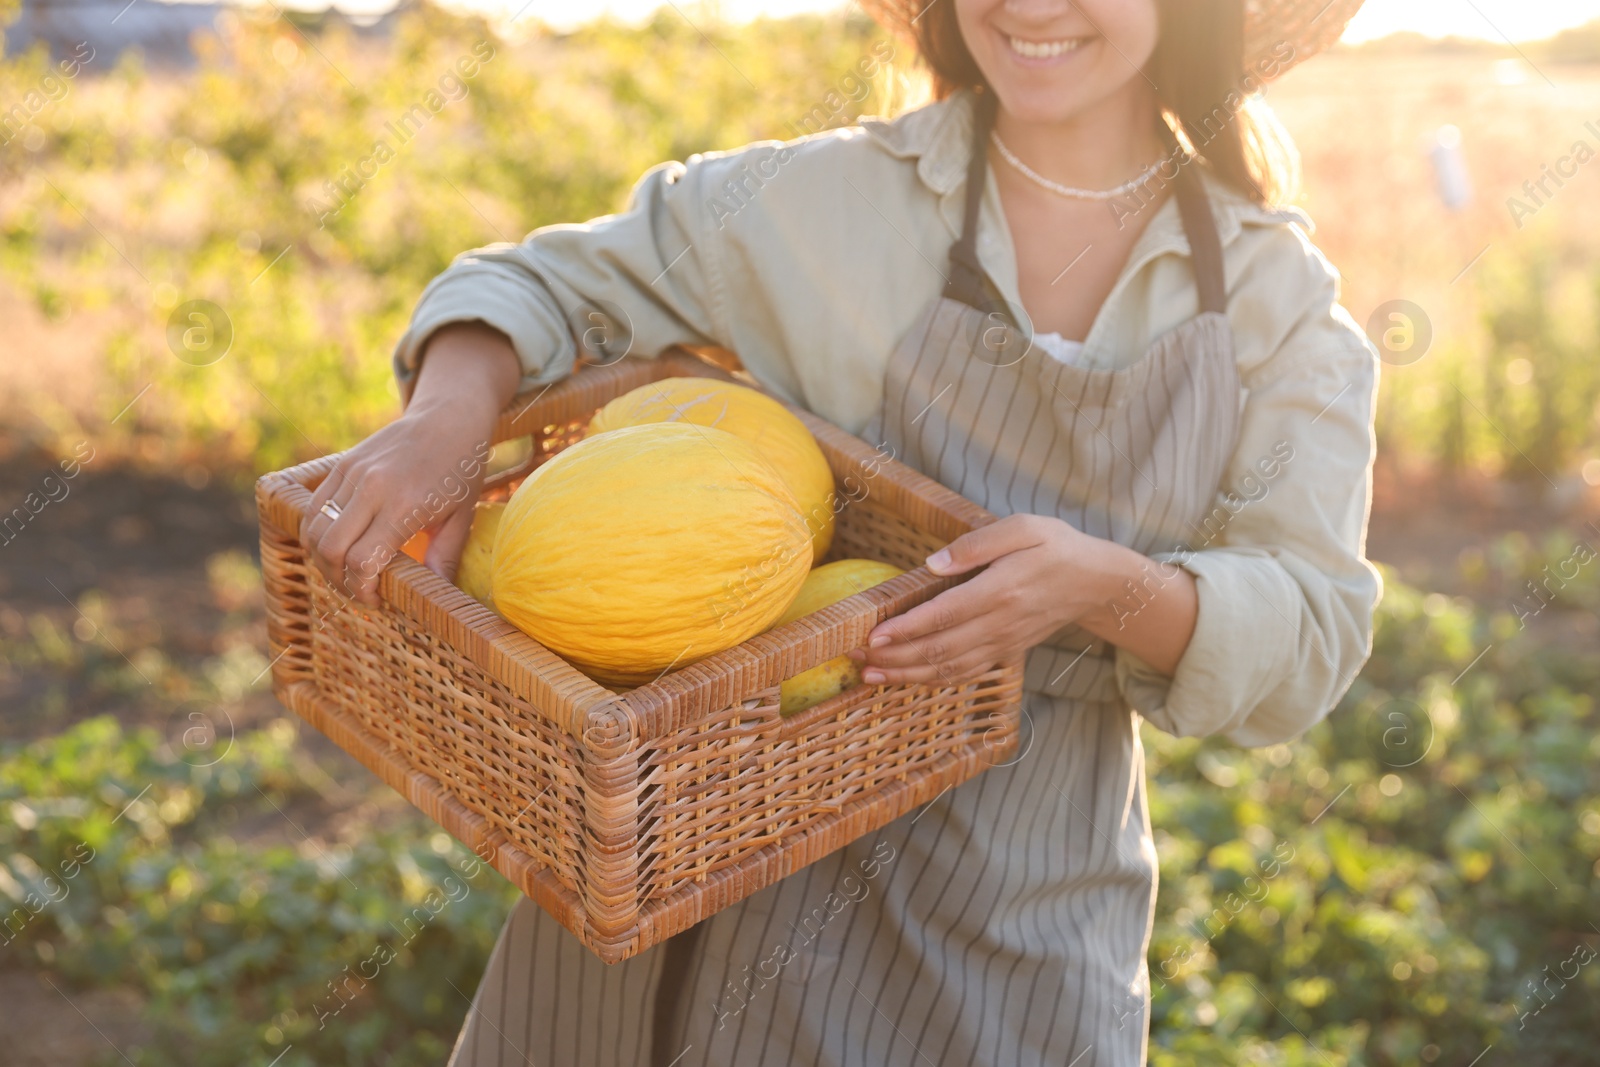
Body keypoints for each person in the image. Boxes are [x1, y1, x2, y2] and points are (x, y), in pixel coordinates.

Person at [300, 0, 1380, 1063]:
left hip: (1008, 924)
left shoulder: (1271, 298)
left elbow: (1312, 630)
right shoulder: (822, 200)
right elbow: (530, 281)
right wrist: (449, 414)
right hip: (694, 870)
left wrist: (1104, 586)